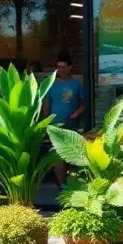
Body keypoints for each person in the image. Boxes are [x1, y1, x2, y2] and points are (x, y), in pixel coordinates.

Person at [44, 51, 84, 186]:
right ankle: (61, 185)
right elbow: (46, 104)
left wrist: (75, 115)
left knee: (71, 155)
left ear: (69, 67)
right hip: (55, 126)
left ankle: (71, 183)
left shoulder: (76, 84)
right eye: (58, 67)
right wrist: (46, 122)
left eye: (63, 67)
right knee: (58, 156)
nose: (60, 70)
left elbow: (84, 104)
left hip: (71, 125)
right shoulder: (50, 83)